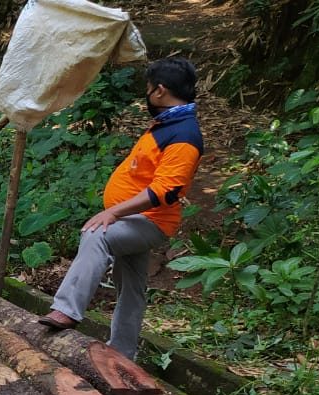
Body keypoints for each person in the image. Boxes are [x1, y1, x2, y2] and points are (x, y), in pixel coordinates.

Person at [38, 57, 203, 360]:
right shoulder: (170, 124)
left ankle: (66, 310)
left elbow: (165, 192)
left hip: (150, 221)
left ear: (160, 91)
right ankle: (123, 353)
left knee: (97, 234)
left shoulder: (184, 136)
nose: (147, 92)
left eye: (149, 87)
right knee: (131, 287)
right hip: (137, 218)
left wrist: (114, 213)